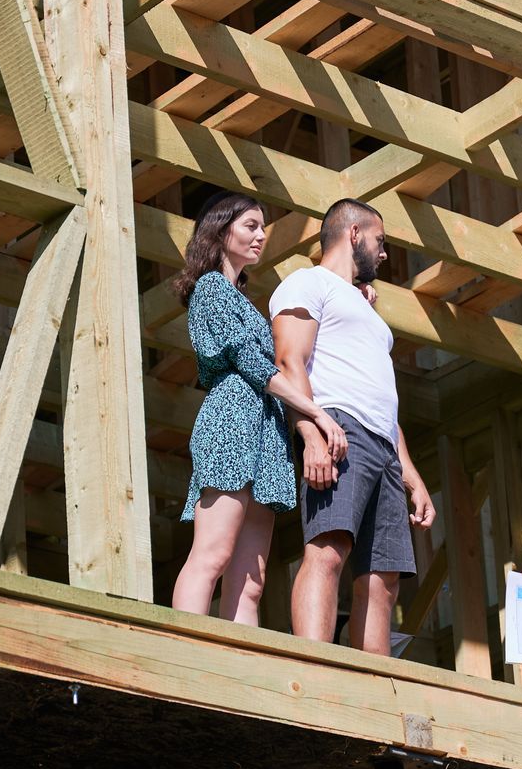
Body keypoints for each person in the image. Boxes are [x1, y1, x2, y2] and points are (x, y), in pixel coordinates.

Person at [171, 192, 351, 625]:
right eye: (250, 225)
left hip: (266, 428)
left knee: (252, 580)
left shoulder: (241, 299)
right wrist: (317, 413)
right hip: (233, 416)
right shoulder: (211, 287)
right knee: (212, 553)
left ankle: (240, 665)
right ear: (221, 229)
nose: (261, 235)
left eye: (262, 227)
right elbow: (253, 366)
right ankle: (188, 648)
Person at [272, 199, 435, 654]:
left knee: (384, 579)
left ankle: (374, 688)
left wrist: (412, 475)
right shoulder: (308, 282)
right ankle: (315, 669)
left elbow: (383, 398)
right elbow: (289, 361)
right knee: (327, 551)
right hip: (338, 429)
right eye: (381, 242)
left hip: (383, 445)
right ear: (355, 234)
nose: (384, 254)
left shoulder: (369, 311)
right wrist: (310, 435)